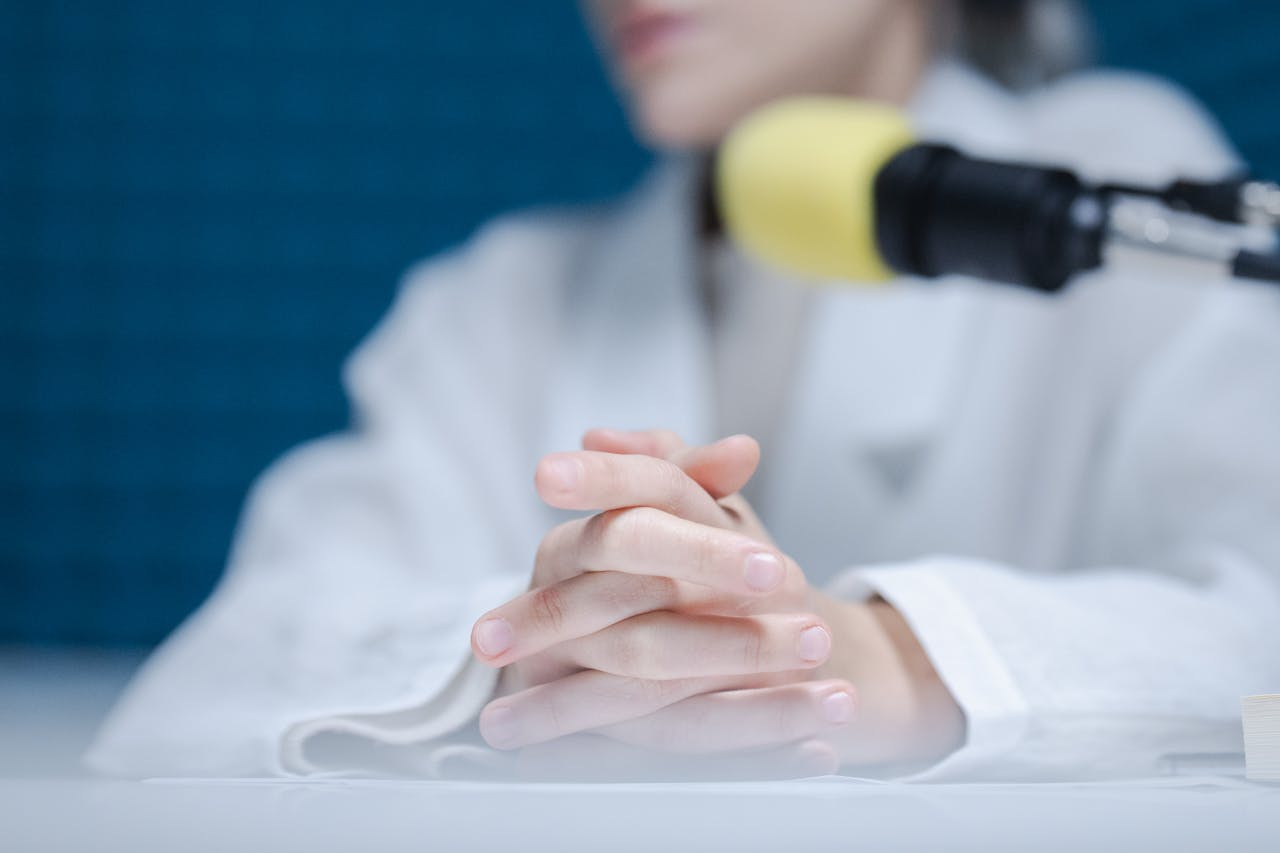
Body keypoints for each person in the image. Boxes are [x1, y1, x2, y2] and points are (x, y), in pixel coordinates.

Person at [88, 0, 1280, 781]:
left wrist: (879, 661)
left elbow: (1261, 628)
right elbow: (215, 674)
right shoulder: (499, 299)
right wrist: (540, 653)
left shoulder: (1113, 209)